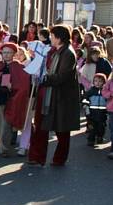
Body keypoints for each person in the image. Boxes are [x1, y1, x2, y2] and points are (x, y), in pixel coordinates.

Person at [27, 25, 80, 167]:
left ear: (58, 37)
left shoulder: (68, 53)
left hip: (59, 96)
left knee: (61, 130)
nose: (50, 38)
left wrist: (44, 78)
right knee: (40, 126)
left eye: (52, 36)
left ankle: (59, 158)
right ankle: (37, 157)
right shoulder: (53, 50)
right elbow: (44, 64)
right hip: (46, 93)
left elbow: (62, 76)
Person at [0, 42, 31, 157]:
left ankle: (4, 148)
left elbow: (23, 85)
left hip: (12, 99)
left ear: (14, 53)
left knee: (6, 124)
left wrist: (11, 87)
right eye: (4, 52)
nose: (6, 55)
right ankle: (1, 144)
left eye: (9, 52)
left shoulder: (19, 67)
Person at [83, 73, 108, 146]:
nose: (97, 83)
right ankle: (91, 139)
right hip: (91, 113)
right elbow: (85, 98)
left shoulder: (105, 91)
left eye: (100, 81)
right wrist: (85, 104)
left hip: (102, 113)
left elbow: (108, 100)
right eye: (96, 81)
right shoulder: (91, 91)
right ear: (93, 82)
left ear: (104, 82)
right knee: (92, 127)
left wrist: (108, 109)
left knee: (101, 127)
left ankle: (100, 137)